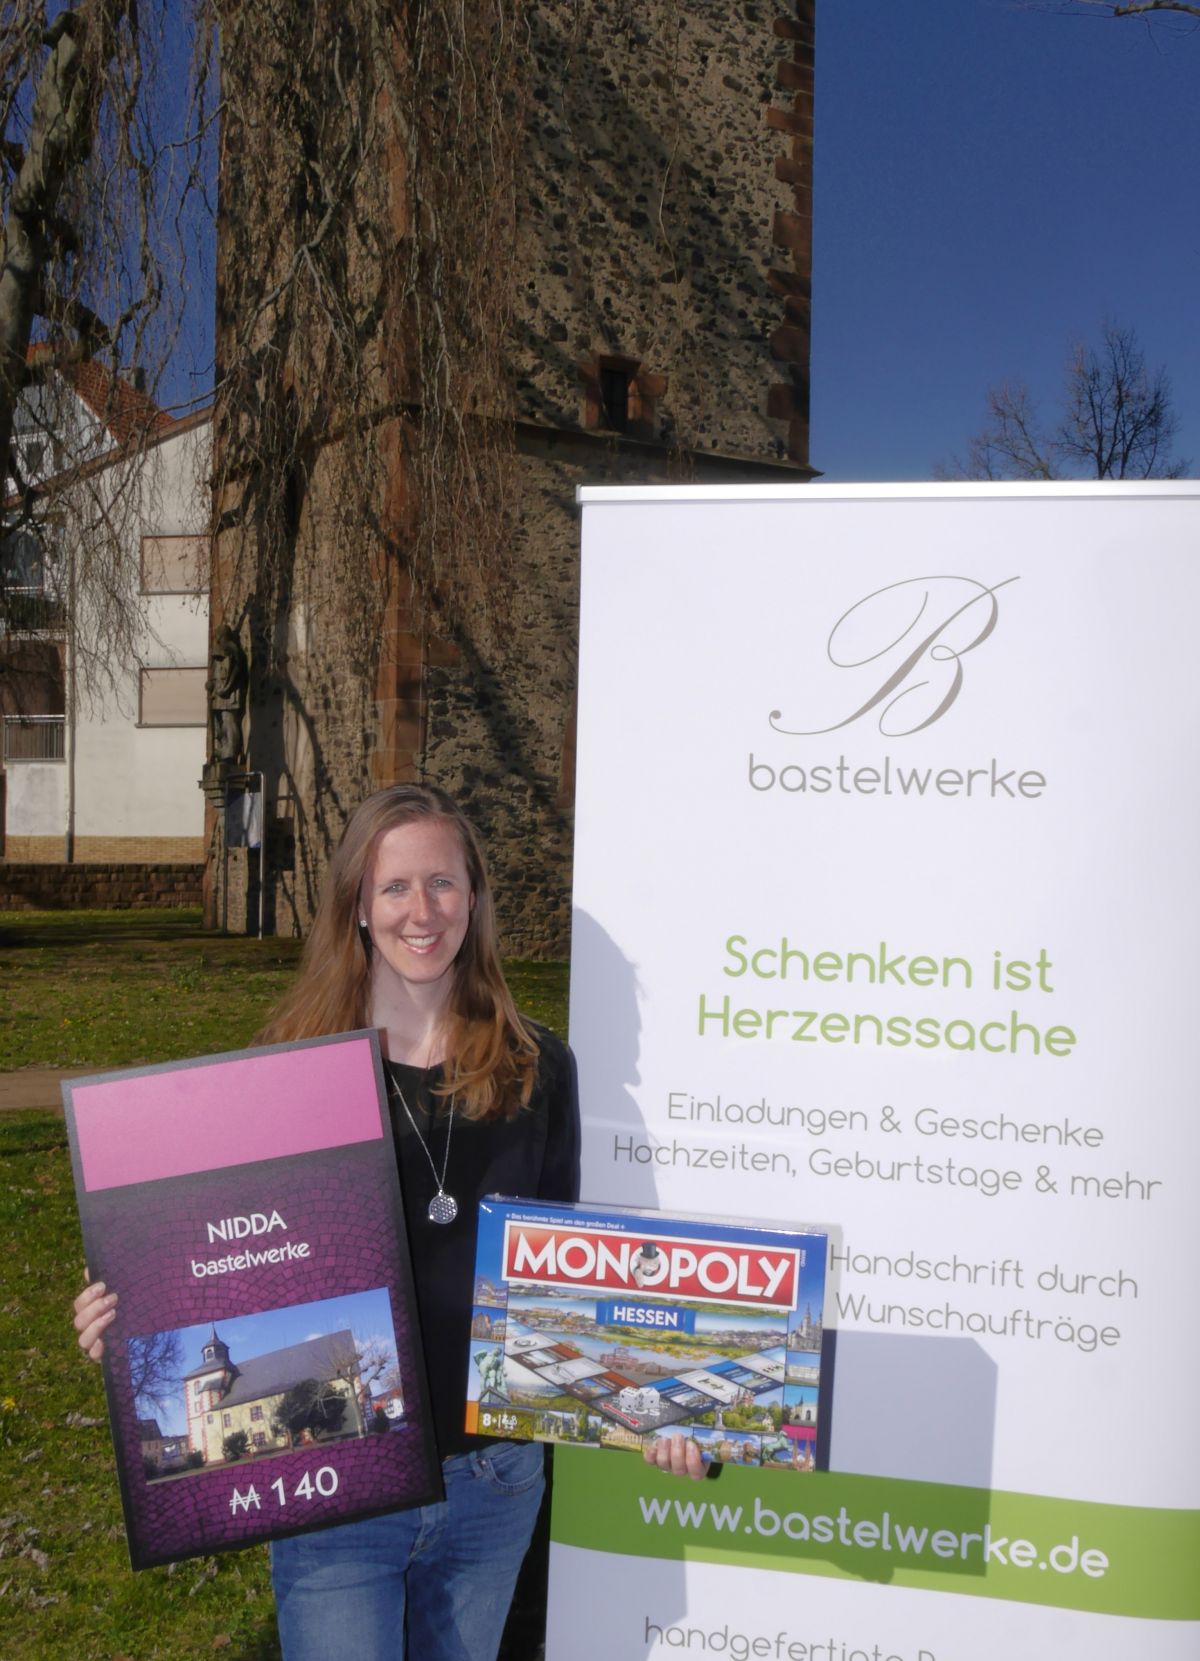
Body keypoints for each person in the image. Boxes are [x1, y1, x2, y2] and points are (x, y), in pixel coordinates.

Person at [74, 784, 593, 1659]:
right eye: (395, 886)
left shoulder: (538, 1068)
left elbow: (565, 1283)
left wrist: (659, 1415)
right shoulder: (285, 1076)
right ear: (357, 903)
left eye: (442, 882)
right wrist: (129, 1320)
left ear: (474, 897)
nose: (421, 911)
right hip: (336, 1484)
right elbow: (220, 1257)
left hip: (493, 1479)